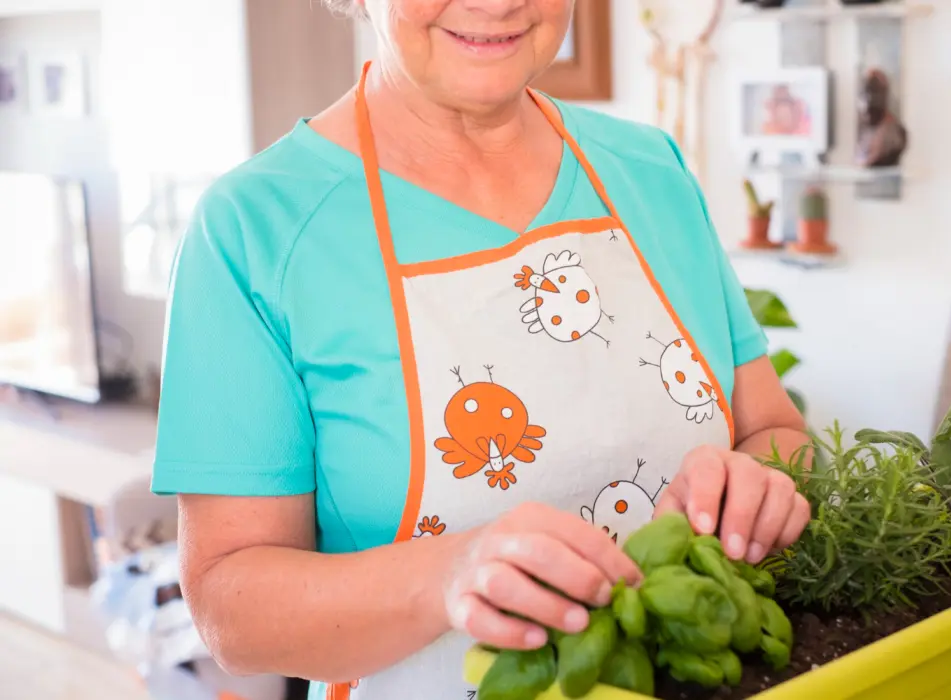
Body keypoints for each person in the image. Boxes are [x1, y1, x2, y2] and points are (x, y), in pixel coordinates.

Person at [153, 1, 812, 698]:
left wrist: (757, 489)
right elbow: (232, 611)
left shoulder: (653, 172)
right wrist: (446, 575)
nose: (496, 3)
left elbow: (776, 433)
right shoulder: (254, 229)